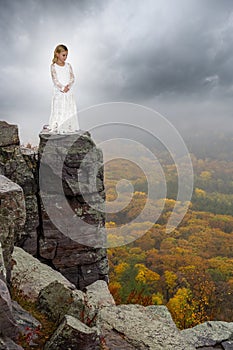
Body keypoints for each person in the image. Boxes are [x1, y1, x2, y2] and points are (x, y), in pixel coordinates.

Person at [47, 44, 79, 133]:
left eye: (66, 55)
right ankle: (58, 124)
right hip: (59, 92)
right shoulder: (53, 66)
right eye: (63, 55)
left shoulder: (68, 65)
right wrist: (62, 88)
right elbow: (55, 79)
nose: (65, 57)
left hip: (68, 91)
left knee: (68, 108)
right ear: (57, 54)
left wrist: (68, 86)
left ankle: (68, 125)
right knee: (59, 107)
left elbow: (72, 77)